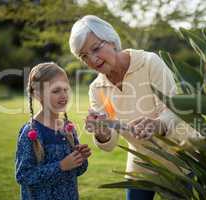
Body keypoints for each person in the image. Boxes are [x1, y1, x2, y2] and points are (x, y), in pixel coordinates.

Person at [69, 15, 198, 200]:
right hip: (141, 161)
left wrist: (157, 124)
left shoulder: (149, 62)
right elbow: (110, 142)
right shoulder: (97, 89)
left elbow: (174, 108)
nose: (92, 59)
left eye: (96, 48)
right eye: (84, 56)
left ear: (112, 41)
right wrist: (102, 131)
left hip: (178, 156)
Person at [15, 62, 91, 200]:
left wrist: (80, 158)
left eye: (65, 89)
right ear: (37, 94)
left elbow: (76, 171)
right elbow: (24, 176)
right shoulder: (31, 133)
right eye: (56, 91)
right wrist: (61, 166)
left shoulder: (68, 128)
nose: (63, 95)